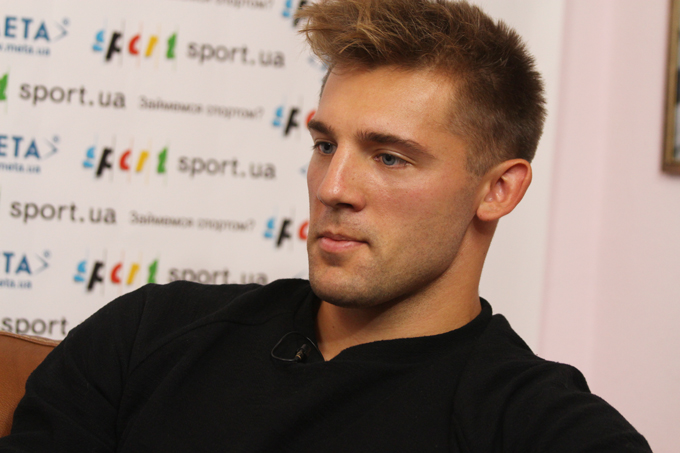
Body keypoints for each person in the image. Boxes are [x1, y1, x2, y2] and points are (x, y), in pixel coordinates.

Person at [1, 0, 651, 451]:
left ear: (498, 190)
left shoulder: (541, 428)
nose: (332, 188)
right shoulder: (143, 338)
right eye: (324, 145)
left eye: (389, 157)